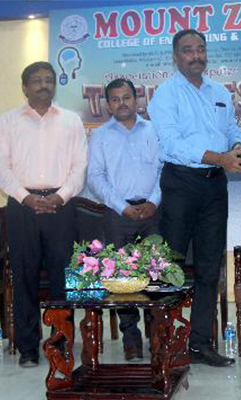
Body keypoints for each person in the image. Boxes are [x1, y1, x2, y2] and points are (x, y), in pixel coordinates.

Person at [148, 29, 241, 367]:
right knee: (170, 266)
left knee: (209, 267)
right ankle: (165, 342)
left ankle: (200, 344)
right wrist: (219, 157)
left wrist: (238, 147)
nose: (196, 55)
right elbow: (171, 144)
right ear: (176, 57)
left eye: (201, 49)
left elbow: (231, 129)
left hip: (214, 186)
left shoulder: (220, 91)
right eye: (188, 50)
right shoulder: (165, 94)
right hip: (180, 184)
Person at [0, 61, 87, 367]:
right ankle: (28, 348)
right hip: (22, 208)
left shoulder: (71, 120)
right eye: (36, 80)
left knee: (63, 279)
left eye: (48, 79)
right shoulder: (8, 121)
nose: (44, 85)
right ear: (25, 87)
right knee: (24, 277)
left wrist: (60, 196)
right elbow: (1, 168)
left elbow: (79, 166)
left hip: (62, 206)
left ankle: (61, 343)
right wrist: (26, 198)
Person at [88, 78, 162, 361]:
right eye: (115, 99)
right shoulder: (100, 136)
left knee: (155, 275)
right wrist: (121, 207)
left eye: (127, 97)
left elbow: (164, 169)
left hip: (152, 212)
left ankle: (156, 336)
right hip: (117, 215)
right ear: (108, 105)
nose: (122, 103)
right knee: (121, 277)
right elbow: (95, 176)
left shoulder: (154, 130)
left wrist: (154, 201)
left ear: (136, 99)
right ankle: (131, 339)